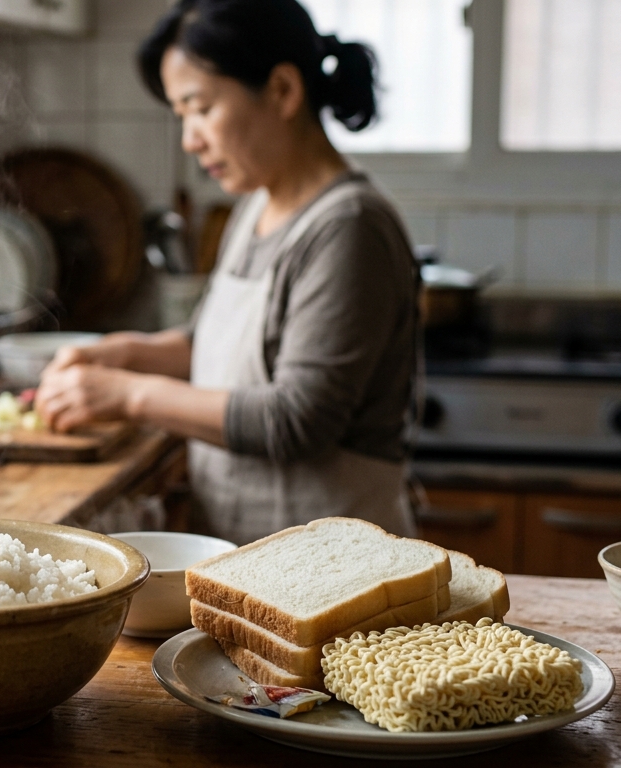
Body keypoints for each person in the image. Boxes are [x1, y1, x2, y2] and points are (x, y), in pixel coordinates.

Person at [34, 0, 420, 544]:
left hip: (339, 565)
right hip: (252, 557)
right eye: (182, 115)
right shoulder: (257, 204)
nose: (190, 139)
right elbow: (217, 348)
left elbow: (297, 419)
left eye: (200, 108)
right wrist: (126, 353)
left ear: (283, 90)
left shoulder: (349, 227)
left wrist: (129, 394)